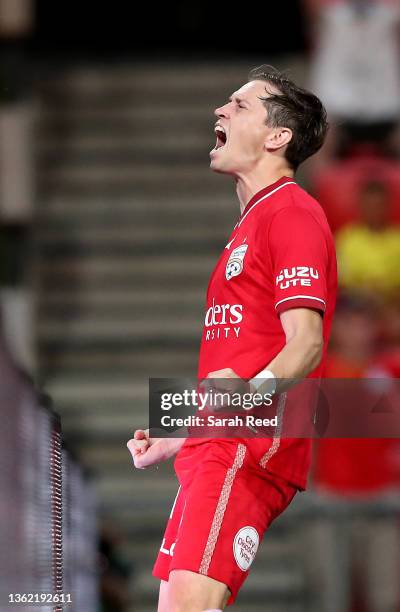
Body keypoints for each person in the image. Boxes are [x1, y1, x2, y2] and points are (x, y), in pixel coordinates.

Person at [127, 65, 337, 611]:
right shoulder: (249, 224)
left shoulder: (292, 213)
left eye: (239, 106)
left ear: (277, 137)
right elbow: (239, 356)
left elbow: (306, 343)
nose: (220, 111)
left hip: (246, 447)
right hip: (215, 444)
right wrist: (180, 430)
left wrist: (241, 405)